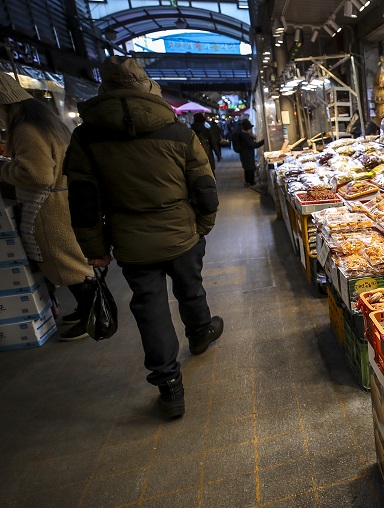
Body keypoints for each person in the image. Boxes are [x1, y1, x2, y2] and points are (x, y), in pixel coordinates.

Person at [63, 57, 222, 419]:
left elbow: (84, 200)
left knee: (150, 310)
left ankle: (170, 387)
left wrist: (95, 247)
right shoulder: (177, 130)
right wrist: (202, 225)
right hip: (181, 232)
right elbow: (204, 185)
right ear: (149, 88)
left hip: (130, 240)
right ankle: (200, 333)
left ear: (104, 89)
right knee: (191, 287)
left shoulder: (86, 138)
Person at [0, 72, 96, 341]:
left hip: (49, 207)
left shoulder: (25, 130)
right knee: (72, 261)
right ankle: (86, 310)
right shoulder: (45, 123)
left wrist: (6, 170)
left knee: (67, 264)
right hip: (63, 199)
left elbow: (39, 175)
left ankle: (92, 316)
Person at [235, 119, 263, 188]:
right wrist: (263, 141)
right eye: (250, 128)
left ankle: (247, 182)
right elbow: (253, 145)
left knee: (247, 168)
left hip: (244, 155)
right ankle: (251, 182)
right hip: (247, 155)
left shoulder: (242, 135)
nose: (251, 130)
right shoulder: (245, 136)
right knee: (250, 168)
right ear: (248, 129)